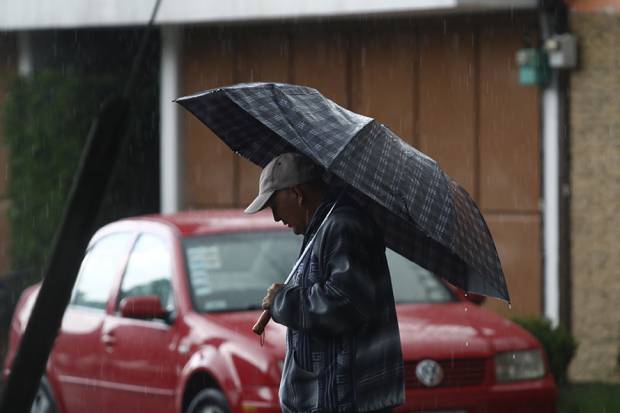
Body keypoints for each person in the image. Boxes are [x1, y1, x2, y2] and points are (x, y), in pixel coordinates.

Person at [245, 152, 404, 413]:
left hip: (344, 401)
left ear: (297, 193)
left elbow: (344, 303)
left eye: (274, 205)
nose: (275, 217)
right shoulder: (323, 227)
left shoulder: (343, 226)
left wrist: (283, 300)